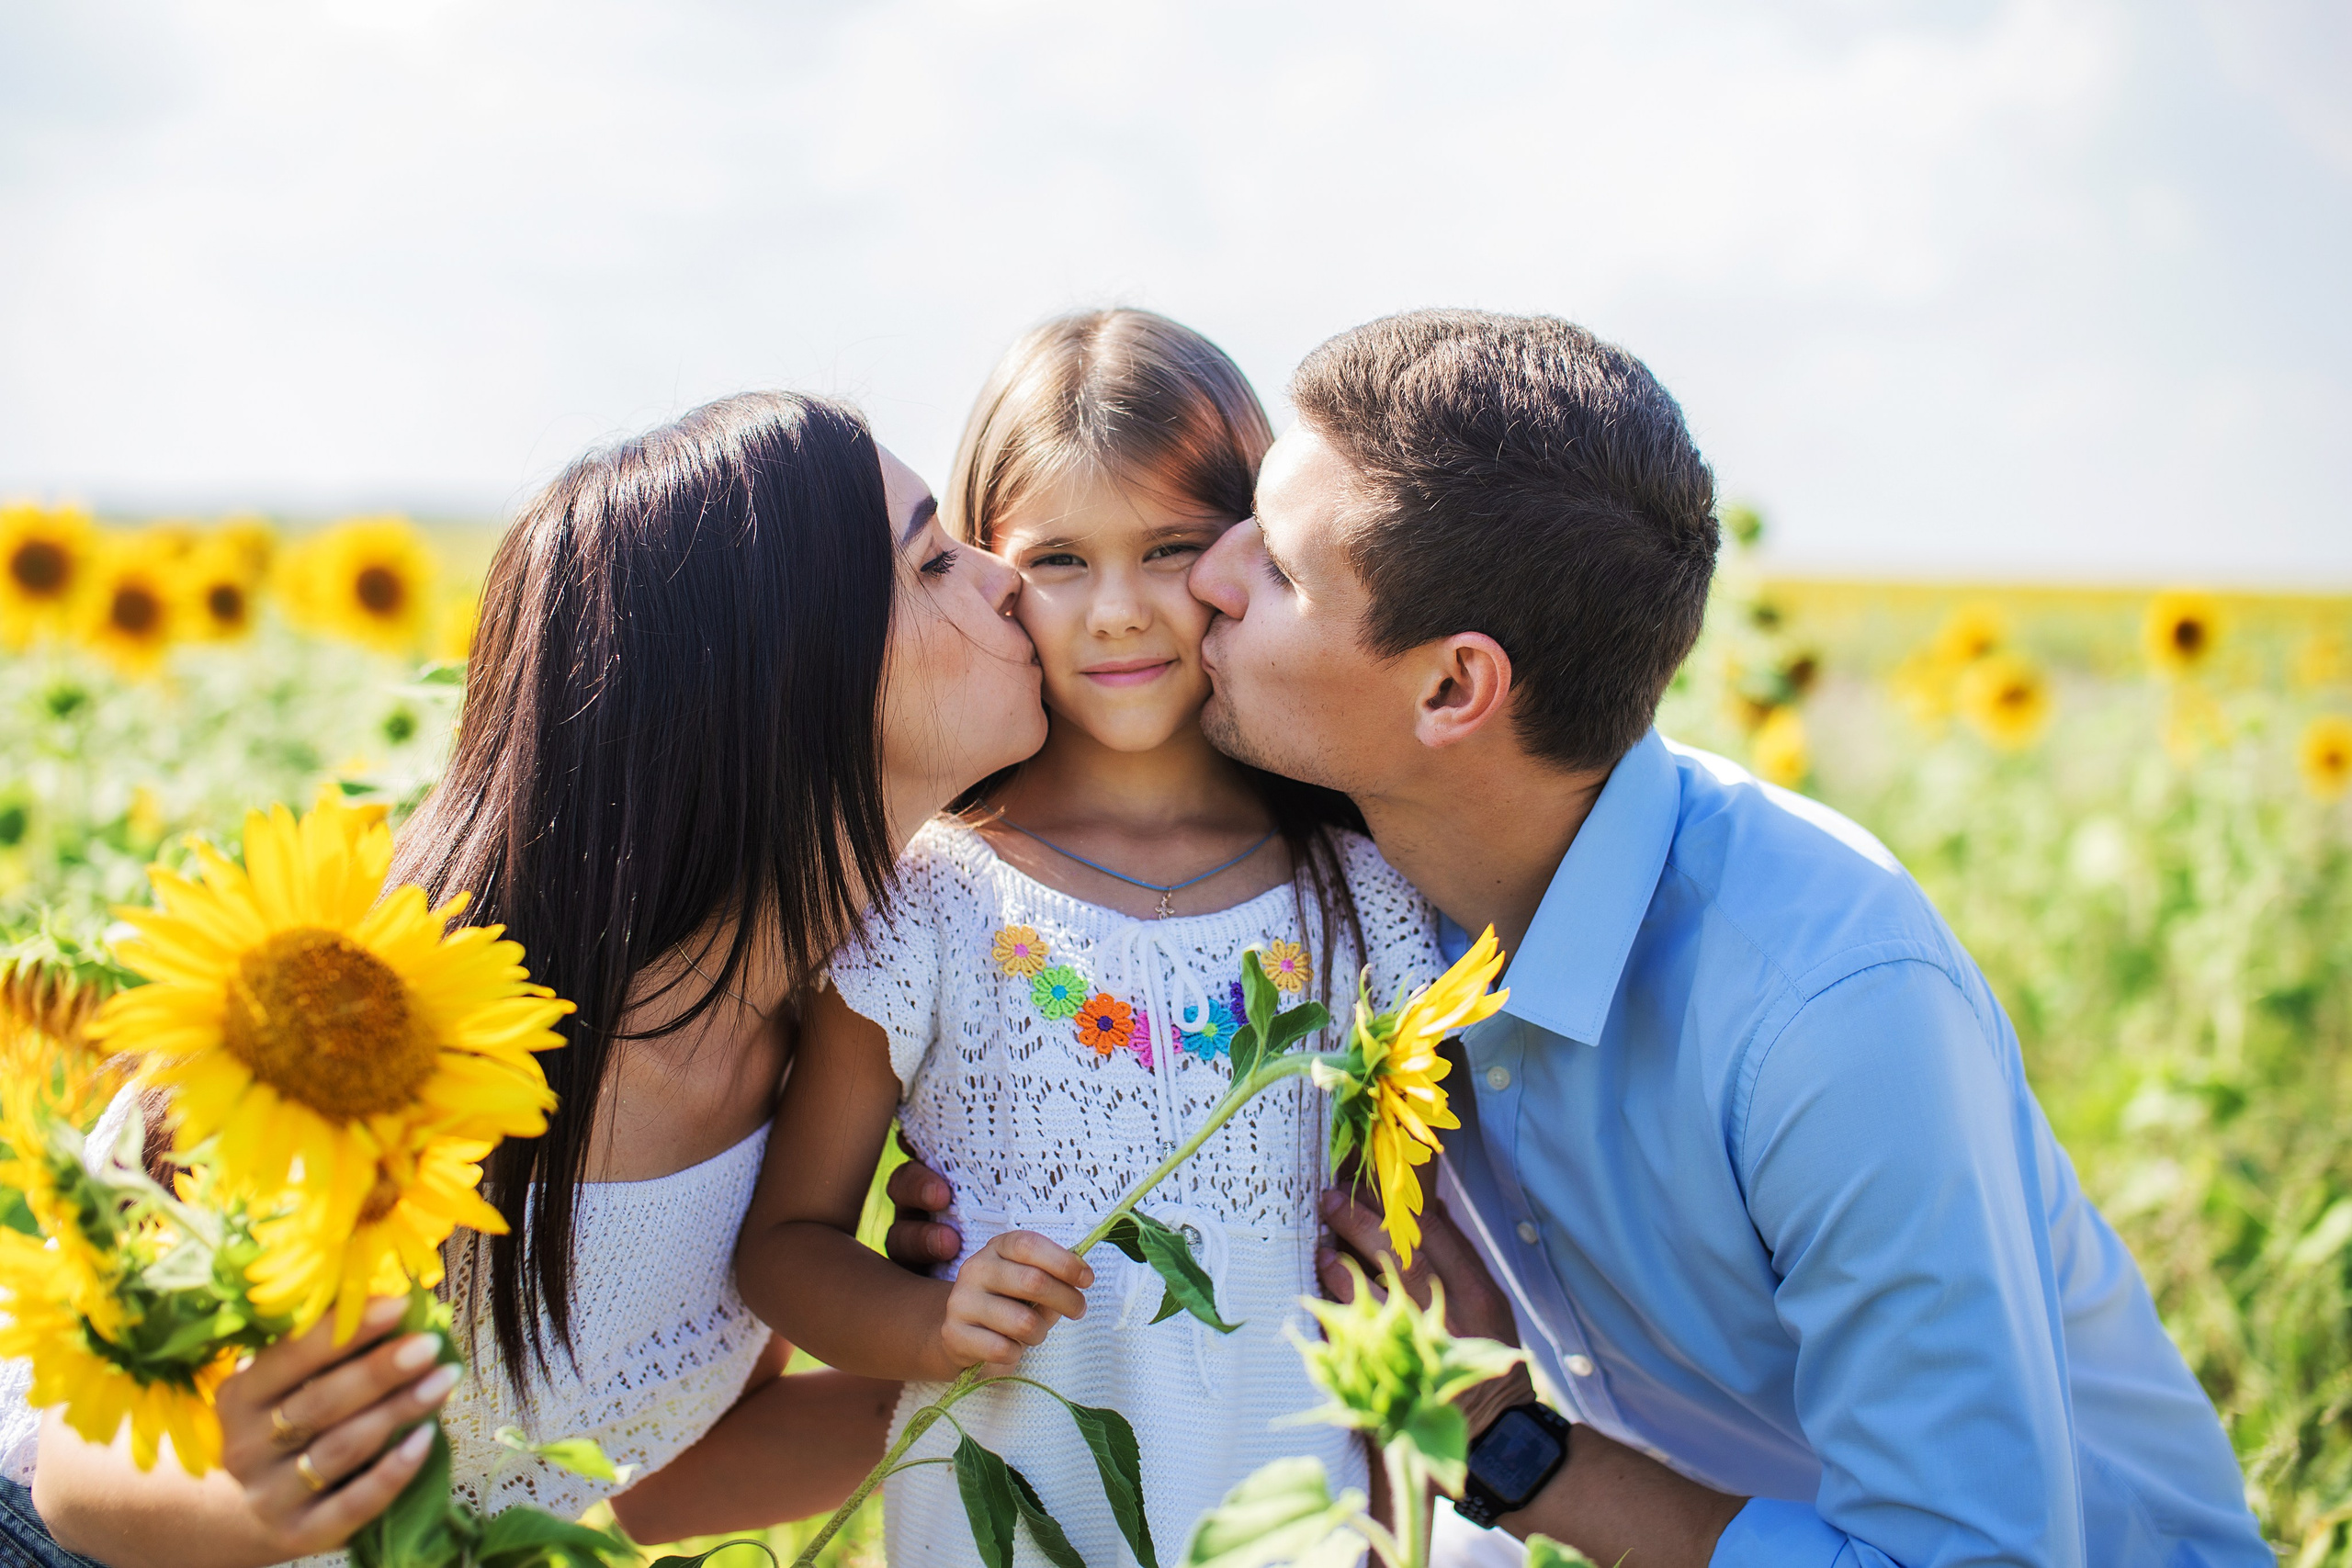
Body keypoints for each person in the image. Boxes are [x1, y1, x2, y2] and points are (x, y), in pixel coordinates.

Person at [1185, 310, 2271, 1567]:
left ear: (1452, 689)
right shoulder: (1364, 891)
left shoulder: (1828, 1010)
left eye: (1275, 565)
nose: (1206, 573)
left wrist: (1498, 1435)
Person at [3, 390, 1041, 1566]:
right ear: (781, 676)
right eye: (932, 561)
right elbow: (80, 1481)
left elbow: (653, 1466)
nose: (1004, 576)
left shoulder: (840, 1035)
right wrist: (287, 1499)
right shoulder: (391, 1024)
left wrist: (979, 1357)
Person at [734, 310, 1448, 1568]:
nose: (1117, 610)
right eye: (1059, 558)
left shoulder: (1367, 899)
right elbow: (787, 1249)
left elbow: (1409, 1277)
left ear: (1247, 553)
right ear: (992, 570)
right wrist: (929, 1318)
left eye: (1171, 547)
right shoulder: (932, 902)